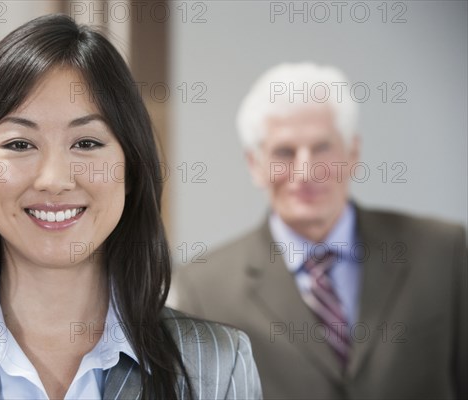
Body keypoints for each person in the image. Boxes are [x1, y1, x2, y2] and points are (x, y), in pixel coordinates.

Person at [0, 14, 262, 399]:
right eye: (20, 144)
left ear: (131, 169)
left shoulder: (215, 366)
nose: (54, 179)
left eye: (86, 143)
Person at [172, 62, 467, 399]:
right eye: (285, 152)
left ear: (353, 153)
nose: (306, 171)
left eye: (322, 148)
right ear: (255, 165)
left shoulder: (442, 252)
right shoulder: (205, 289)